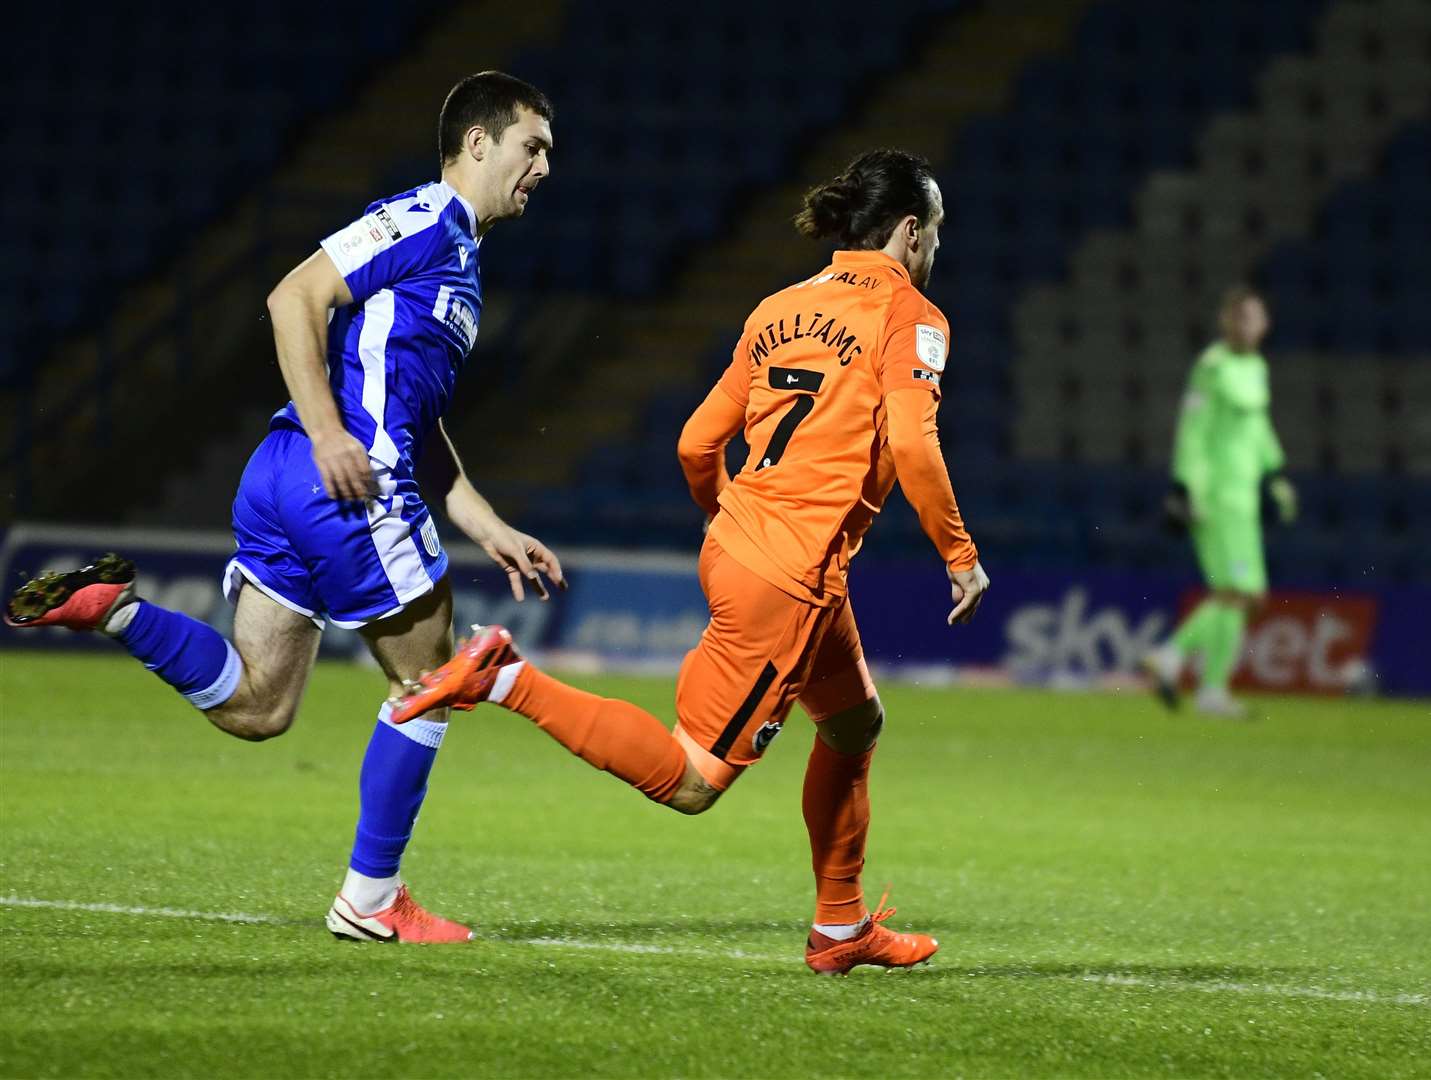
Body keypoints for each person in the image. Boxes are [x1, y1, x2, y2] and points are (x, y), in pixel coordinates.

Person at [390, 148, 990, 975]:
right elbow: (916, 442)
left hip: (746, 543)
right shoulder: (911, 314)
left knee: (854, 723)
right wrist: (958, 554)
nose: (936, 252)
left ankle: (841, 927)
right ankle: (502, 677)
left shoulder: (778, 306)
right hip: (791, 575)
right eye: (937, 234)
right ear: (911, 230)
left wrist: (729, 521)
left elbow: (695, 442)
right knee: (691, 779)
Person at [5, 71, 564, 943]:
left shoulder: (461, 259)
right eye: (533, 147)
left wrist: (484, 520)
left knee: (262, 705)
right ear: (479, 142)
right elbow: (292, 296)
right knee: (429, 682)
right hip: (343, 479)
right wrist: (331, 432)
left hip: (282, 479)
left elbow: (417, 415)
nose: (543, 167)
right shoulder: (424, 219)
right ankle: (371, 902)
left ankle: (114, 614)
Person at [1142, 285, 1296, 719]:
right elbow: (1193, 427)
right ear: (1227, 322)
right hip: (1216, 496)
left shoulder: (1257, 367)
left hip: (1244, 496)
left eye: (1257, 318)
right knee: (1237, 592)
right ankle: (1175, 658)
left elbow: (1258, 427)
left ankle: (1210, 688)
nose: (1251, 326)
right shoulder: (1213, 367)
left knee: (1243, 595)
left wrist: (1276, 471)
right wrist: (1184, 486)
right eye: (1243, 317)